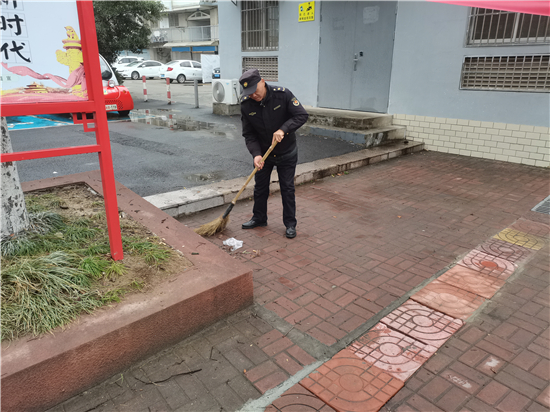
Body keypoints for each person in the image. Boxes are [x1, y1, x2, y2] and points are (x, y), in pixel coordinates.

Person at [239, 68, 309, 239]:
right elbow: (249, 134)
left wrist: (283, 129)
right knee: (260, 188)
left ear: (262, 81)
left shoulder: (283, 95)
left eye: (255, 91)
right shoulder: (246, 105)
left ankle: (290, 224)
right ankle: (259, 218)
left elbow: (301, 115)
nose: (253, 96)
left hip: (286, 152)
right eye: (249, 93)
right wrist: (256, 154)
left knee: (287, 189)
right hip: (264, 154)